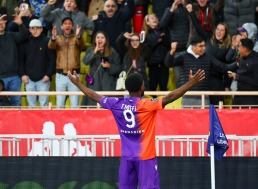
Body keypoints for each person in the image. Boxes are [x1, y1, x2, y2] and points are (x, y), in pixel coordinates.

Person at [68, 69, 205, 189]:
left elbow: (93, 95)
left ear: (127, 88)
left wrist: (78, 84)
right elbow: (170, 97)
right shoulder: (147, 104)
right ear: (142, 87)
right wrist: (189, 84)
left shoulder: (117, 104)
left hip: (127, 160)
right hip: (146, 159)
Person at [165, 35, 239, 107]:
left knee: (204, 119)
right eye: (201, 46)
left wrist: (238, 63)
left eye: (204, 45)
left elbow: (224, 68)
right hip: (188, 96)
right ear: (193, 47)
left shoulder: (208, 57)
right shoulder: (183, 56)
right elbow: (168, 64)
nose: (204, 48)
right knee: (187, 120)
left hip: (204, 96)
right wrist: (172, 51)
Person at [187, 4, 231, 105]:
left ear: (225, 33)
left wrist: (227, 85)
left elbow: (227, 67)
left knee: (217, 108)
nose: (219, 32)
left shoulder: (227, 47)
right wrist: (191, 12)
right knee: (204, 108)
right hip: (204, 78)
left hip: (217, 80)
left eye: (222, 30)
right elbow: (198, 26)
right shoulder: (208, 39)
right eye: (218, 29)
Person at [48, 17, 85, 108]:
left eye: (69, 24)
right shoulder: (58, 38)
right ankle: (61, 122)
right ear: (62, 27)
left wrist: (79, 35)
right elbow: (51, 46)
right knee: (60, 104)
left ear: (72, 27)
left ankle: (74, 123)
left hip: (74, 75)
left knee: (74, 104)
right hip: (60, 75)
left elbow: (82, 43)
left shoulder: (76, 38)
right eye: (65, 23)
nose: (67, 25)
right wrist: (53, 37)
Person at [19, 19, 56, 107]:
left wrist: (48, 75)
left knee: (44, 105)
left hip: (43, 79)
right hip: (29, 80)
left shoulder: (47, 41)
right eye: (33, 28)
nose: (35, 31)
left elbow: (53, 59)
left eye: (37, 28)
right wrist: (22, 75)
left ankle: (43, 121)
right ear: (29, 30)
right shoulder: (25, 42)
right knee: (31, 106)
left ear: (41, 29)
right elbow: (21, 60)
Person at [81, 31, 121, 106]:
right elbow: (85, 61)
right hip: (94, 84)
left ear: (106, 41)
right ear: (95, 40)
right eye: (98, 37)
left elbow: (118, 68)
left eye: (102, 38)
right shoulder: (91, 50)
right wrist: (95, 51)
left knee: (107, 108)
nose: (100, 39)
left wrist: (109, 66)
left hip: (108, 85)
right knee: (93, 108)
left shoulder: (112, 51)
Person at [0, 14, 29, 106]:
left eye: (2, 23)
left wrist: (20, 23)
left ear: (6, 24)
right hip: (0, 78)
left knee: (16, 103)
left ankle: (16, 121)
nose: (1, 24)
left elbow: (24, 36)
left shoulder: (11, 36)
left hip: (14, 77)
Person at [160, 0, 190, 88]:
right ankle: (180, 100)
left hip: (189, 49)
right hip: (176, 50)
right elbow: (162, 24)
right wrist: (172, 10)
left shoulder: (189, 7)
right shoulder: (169, 9)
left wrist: (188, 5)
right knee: (179, 79)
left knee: (190, 77)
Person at [228, 38, 258, 107]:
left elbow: (256, 82)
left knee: (250, 118)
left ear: (245, 49)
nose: (238, 49)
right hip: (239, 93)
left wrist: (238, 77)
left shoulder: (257, 62)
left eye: (239, 46)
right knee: (233, 116)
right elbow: (227, 63)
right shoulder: (241, 58)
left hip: (251, 97)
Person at [142, 13, 170, 92]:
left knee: (163, 87)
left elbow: (169, 44)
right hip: (153, 64)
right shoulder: (145, 35)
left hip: (164, 63)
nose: (155, 19)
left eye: (155, 17)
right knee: (152, 87)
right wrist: (157, 40)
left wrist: (163, 39)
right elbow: (147, 48)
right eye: (152, 18)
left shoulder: (164, 30)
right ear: (147, 22)